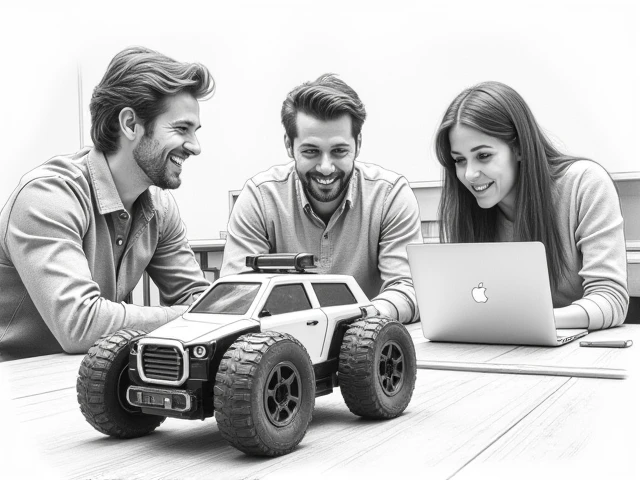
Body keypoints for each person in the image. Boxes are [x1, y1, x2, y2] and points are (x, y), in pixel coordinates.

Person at [0, 47, 215, 360]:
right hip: (15, 387)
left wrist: (221, 312)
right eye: (182, 129)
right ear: (129, 124)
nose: (195, 147)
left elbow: (198, 299)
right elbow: (81, 325)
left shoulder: (160, 209)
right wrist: (196, 319)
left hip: (90, 377)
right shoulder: (47, 196)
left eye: (195, 131)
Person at [221, 74, 422, 324]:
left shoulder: (390, 196)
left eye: (339, 151)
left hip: (365, 343)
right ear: (288, 145)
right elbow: (237, 297)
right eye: (311, 151)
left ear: (358, 144)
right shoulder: (260, 198)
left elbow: (409, 289)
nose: (326, 168)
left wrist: (358, 320)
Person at [435, 81, 628, 330]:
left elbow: (611, 300)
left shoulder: (585, 184)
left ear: (518, 148)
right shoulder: (465, 208)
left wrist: (534, 322)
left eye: (483, 155)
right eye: (459, 160)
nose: (470, 174)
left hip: (578, 351)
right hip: (508, 346)